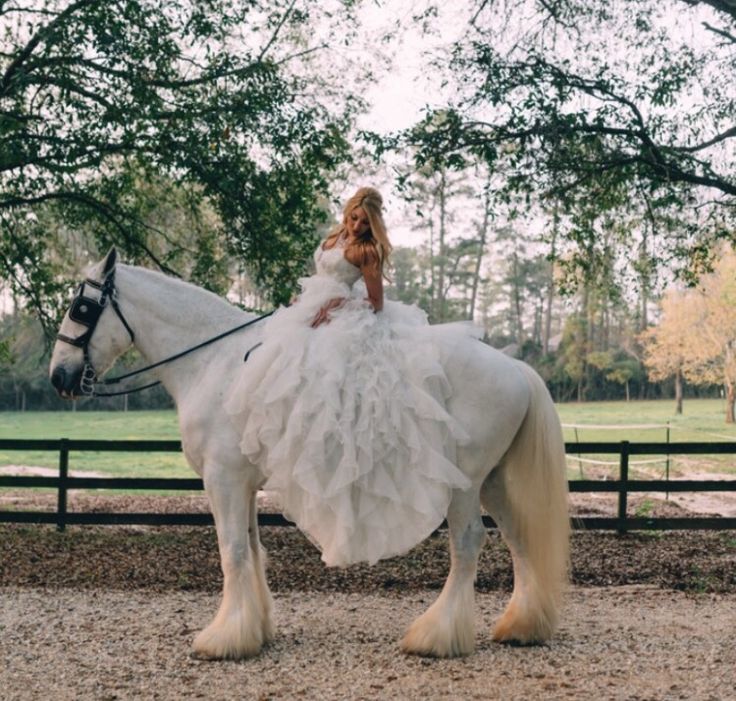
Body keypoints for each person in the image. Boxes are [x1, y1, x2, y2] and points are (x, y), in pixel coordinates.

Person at [225, 187, 478, 567]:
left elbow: (375, 303)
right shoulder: (334, 237)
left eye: (363, 222)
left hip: (348, 317)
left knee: (330, 377)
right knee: (277, 368)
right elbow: (320, 275)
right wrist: (306, 304)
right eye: (353, 217)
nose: (356, 225)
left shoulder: (366, 251)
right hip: (310, 311)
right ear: (347, 212)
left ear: (373, 224)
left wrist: (337, 304)